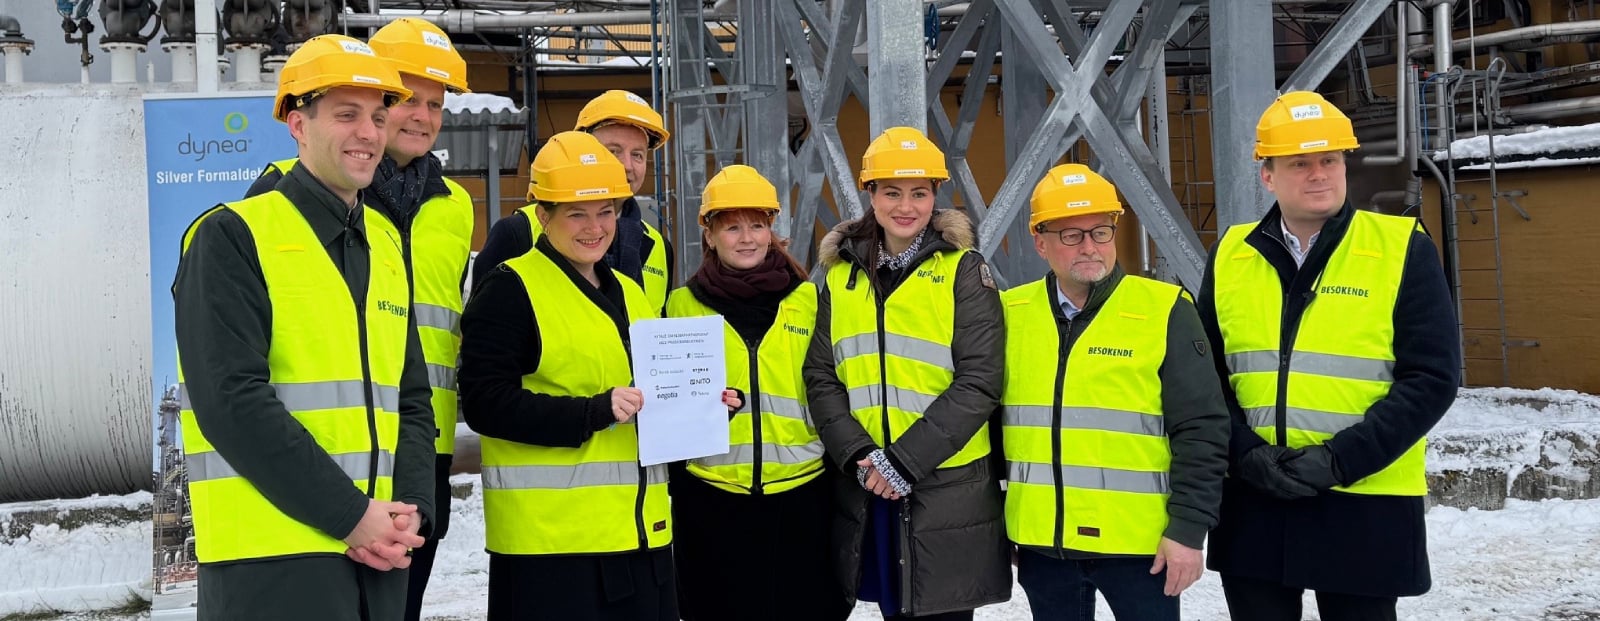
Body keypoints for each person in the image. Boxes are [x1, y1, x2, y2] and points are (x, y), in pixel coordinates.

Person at [173, 35, 435, 620]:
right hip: (273, 562)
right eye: (346, 115)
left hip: (378, 559)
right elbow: (231, 402)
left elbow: (412, 397)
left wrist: (412, 506)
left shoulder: (386, 243)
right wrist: (353, 517)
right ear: (297, 123)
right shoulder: (232, 235)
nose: (369, 133)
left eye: (377, 116)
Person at [241, 20, 475, 620]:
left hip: (420, 450)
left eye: (435, 104)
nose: (421, 117)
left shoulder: (455, 207)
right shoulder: (290, 196)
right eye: (407, 100)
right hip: (321, 456)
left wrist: (423, 482)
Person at [1198, 91, 1460, 621]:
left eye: (1329, 160)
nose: (1319, 174)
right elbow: (1205, 379)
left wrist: (1340, 460)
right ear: (1267, 175)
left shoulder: (1400, 247)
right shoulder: (1232, 254)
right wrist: (1244, 454)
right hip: (1256, 498)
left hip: (1365, 497)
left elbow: (1432, 377)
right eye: (1299, 163)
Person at [458, 130, 737, 620]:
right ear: (543, 216)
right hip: (553, 550)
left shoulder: (630, 291)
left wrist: (701, 404)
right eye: (576, 213)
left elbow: (644, 396)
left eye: (606, 211)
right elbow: (484, 403)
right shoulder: (511, 289)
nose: (595, 227)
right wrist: (593, 411)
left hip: (639, 536)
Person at [999, 164, 1229, 620]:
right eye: (1071, 235)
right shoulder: (1009, 314)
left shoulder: (1164, 310)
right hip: (1045, 549)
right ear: (1040, 241)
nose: (1090, 246)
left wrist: (1187, 531)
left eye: (1100, 231)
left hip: (1142, 550)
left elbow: (1202, 431)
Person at [802, 126, 1011, 620]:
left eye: (919, 193)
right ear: (869, 194)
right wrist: (859, 454)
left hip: (944, 490)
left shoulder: (964, 270)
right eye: (891, 192)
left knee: (941, 612)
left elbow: (980, 381)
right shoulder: (840, 275)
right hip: (868, 482)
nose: (906, 206)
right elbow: (821, 375)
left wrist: (903, 462)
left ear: (935, 196)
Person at [664, 164, 851, 621]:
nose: (746, 238)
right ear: (709, 235)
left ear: (772, 232)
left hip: (804, 495)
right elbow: (667, 407)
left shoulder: (810, 301)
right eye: (731, 227)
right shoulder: (679, 307)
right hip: (712, 499)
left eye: (757, 225)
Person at [473, 90, 674, 314]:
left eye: (637, 154)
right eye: (613, 151)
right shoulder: (517, 233)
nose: (627, 165)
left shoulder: (659, 248)